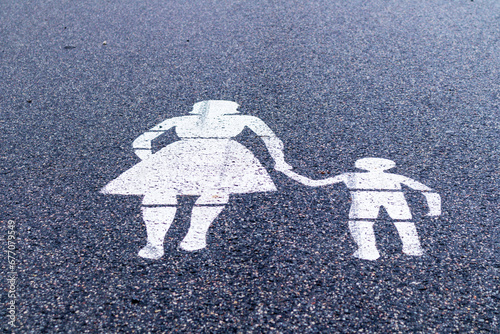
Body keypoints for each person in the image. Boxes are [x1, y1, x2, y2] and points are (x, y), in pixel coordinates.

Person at [101, 100, 292, 259]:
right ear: (232, 109)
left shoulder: (180, 119)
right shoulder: (245, 118)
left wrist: (150, 160)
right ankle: (179, 238)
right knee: (209, 190)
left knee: (172, 191)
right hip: (210, 154)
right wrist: (280, 162)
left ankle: (177, 238)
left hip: (200, 154)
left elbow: (141, 141)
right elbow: (271, 140)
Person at [282, 158, 441, 260]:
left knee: (362, 224)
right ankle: (411, 248)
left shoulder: (351, 176)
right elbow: (427, 190)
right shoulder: (394, 177)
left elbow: (313, 182)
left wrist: (287, 172)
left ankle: (368, 251)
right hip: (392, 199)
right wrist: (435, 209)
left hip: (366, 201)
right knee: (403, 222)